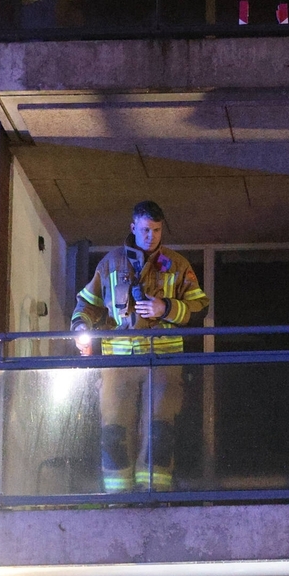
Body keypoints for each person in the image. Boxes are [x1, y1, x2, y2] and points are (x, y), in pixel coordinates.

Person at [71, 200, 208, 493]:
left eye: (157, 230)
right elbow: (87, 304)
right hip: (118, 364)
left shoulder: (178, 264)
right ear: (133, 227)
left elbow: (200, 309)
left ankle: (154, 495)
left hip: (164, 362)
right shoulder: (109, 263)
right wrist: (80, 327)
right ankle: (118, 496)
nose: (151, 236)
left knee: (160, 430)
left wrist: (166, 307)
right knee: (114, 430)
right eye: (146, 229)